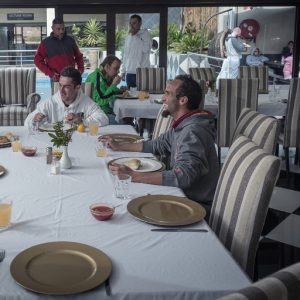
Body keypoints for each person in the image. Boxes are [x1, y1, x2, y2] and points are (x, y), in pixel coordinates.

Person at [100, 75, 220, 212]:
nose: (163, 98)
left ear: (183, 100)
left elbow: (184, 176)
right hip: (181, 196)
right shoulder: (185, 124)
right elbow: (157, 145)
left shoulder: (193, 132)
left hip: (193, 205)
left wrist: (134, 175)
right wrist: (119, 146)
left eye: (167, 93)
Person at [24, 67, 108, 129]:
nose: (61, 90)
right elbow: (27, 123)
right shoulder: (50, 103)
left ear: (77, 87)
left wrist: (82, 121)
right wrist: (34, 120)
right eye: (60, 85)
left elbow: (104, 118)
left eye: (66, 87)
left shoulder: (86, 102)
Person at [34, 18, 84, 82]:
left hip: (71, 78)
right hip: (56, 79)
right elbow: (37, 60)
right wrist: (50, 73)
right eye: (58, 29)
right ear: (52, 28)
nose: (61, 31)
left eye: (63, 28)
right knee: (56, 92)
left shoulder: (70, 40)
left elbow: (79, 56)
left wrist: (80, 70)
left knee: (73, 92)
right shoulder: (45, 43)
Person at [85, 55, 127, 124]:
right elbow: (101, 100)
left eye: (118, 69)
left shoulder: (102, 77)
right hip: (99, 114)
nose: (117, 72)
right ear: (107, 67)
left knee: (126, 118)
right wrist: (114, 84)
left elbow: (105, 92)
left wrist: (119, 91)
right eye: (115, 68)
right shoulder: (97, 78)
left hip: (106, 111)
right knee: (124, 124)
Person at [120, 14, 152, 88]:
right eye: (130, 23)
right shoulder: (128, 37)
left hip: (142, 72)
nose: (132, 25)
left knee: (142, 96)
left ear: (140, 23)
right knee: (130, 96)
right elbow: (126, 55)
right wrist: (123, 71)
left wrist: (136, 36)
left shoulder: (145, 34)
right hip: (129, 72)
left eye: (134, 23)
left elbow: (145, 49)